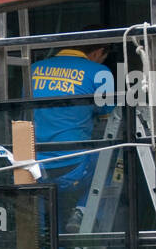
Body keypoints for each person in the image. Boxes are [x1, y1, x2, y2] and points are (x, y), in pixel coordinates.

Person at [29, 37, 114, 231]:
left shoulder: (33, 69)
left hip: (35, 168)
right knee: (114, 155)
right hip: (75, 167)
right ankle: (83, 209)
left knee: (46, 235)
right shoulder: (100, 72)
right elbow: (109, 118)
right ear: (98, 51)